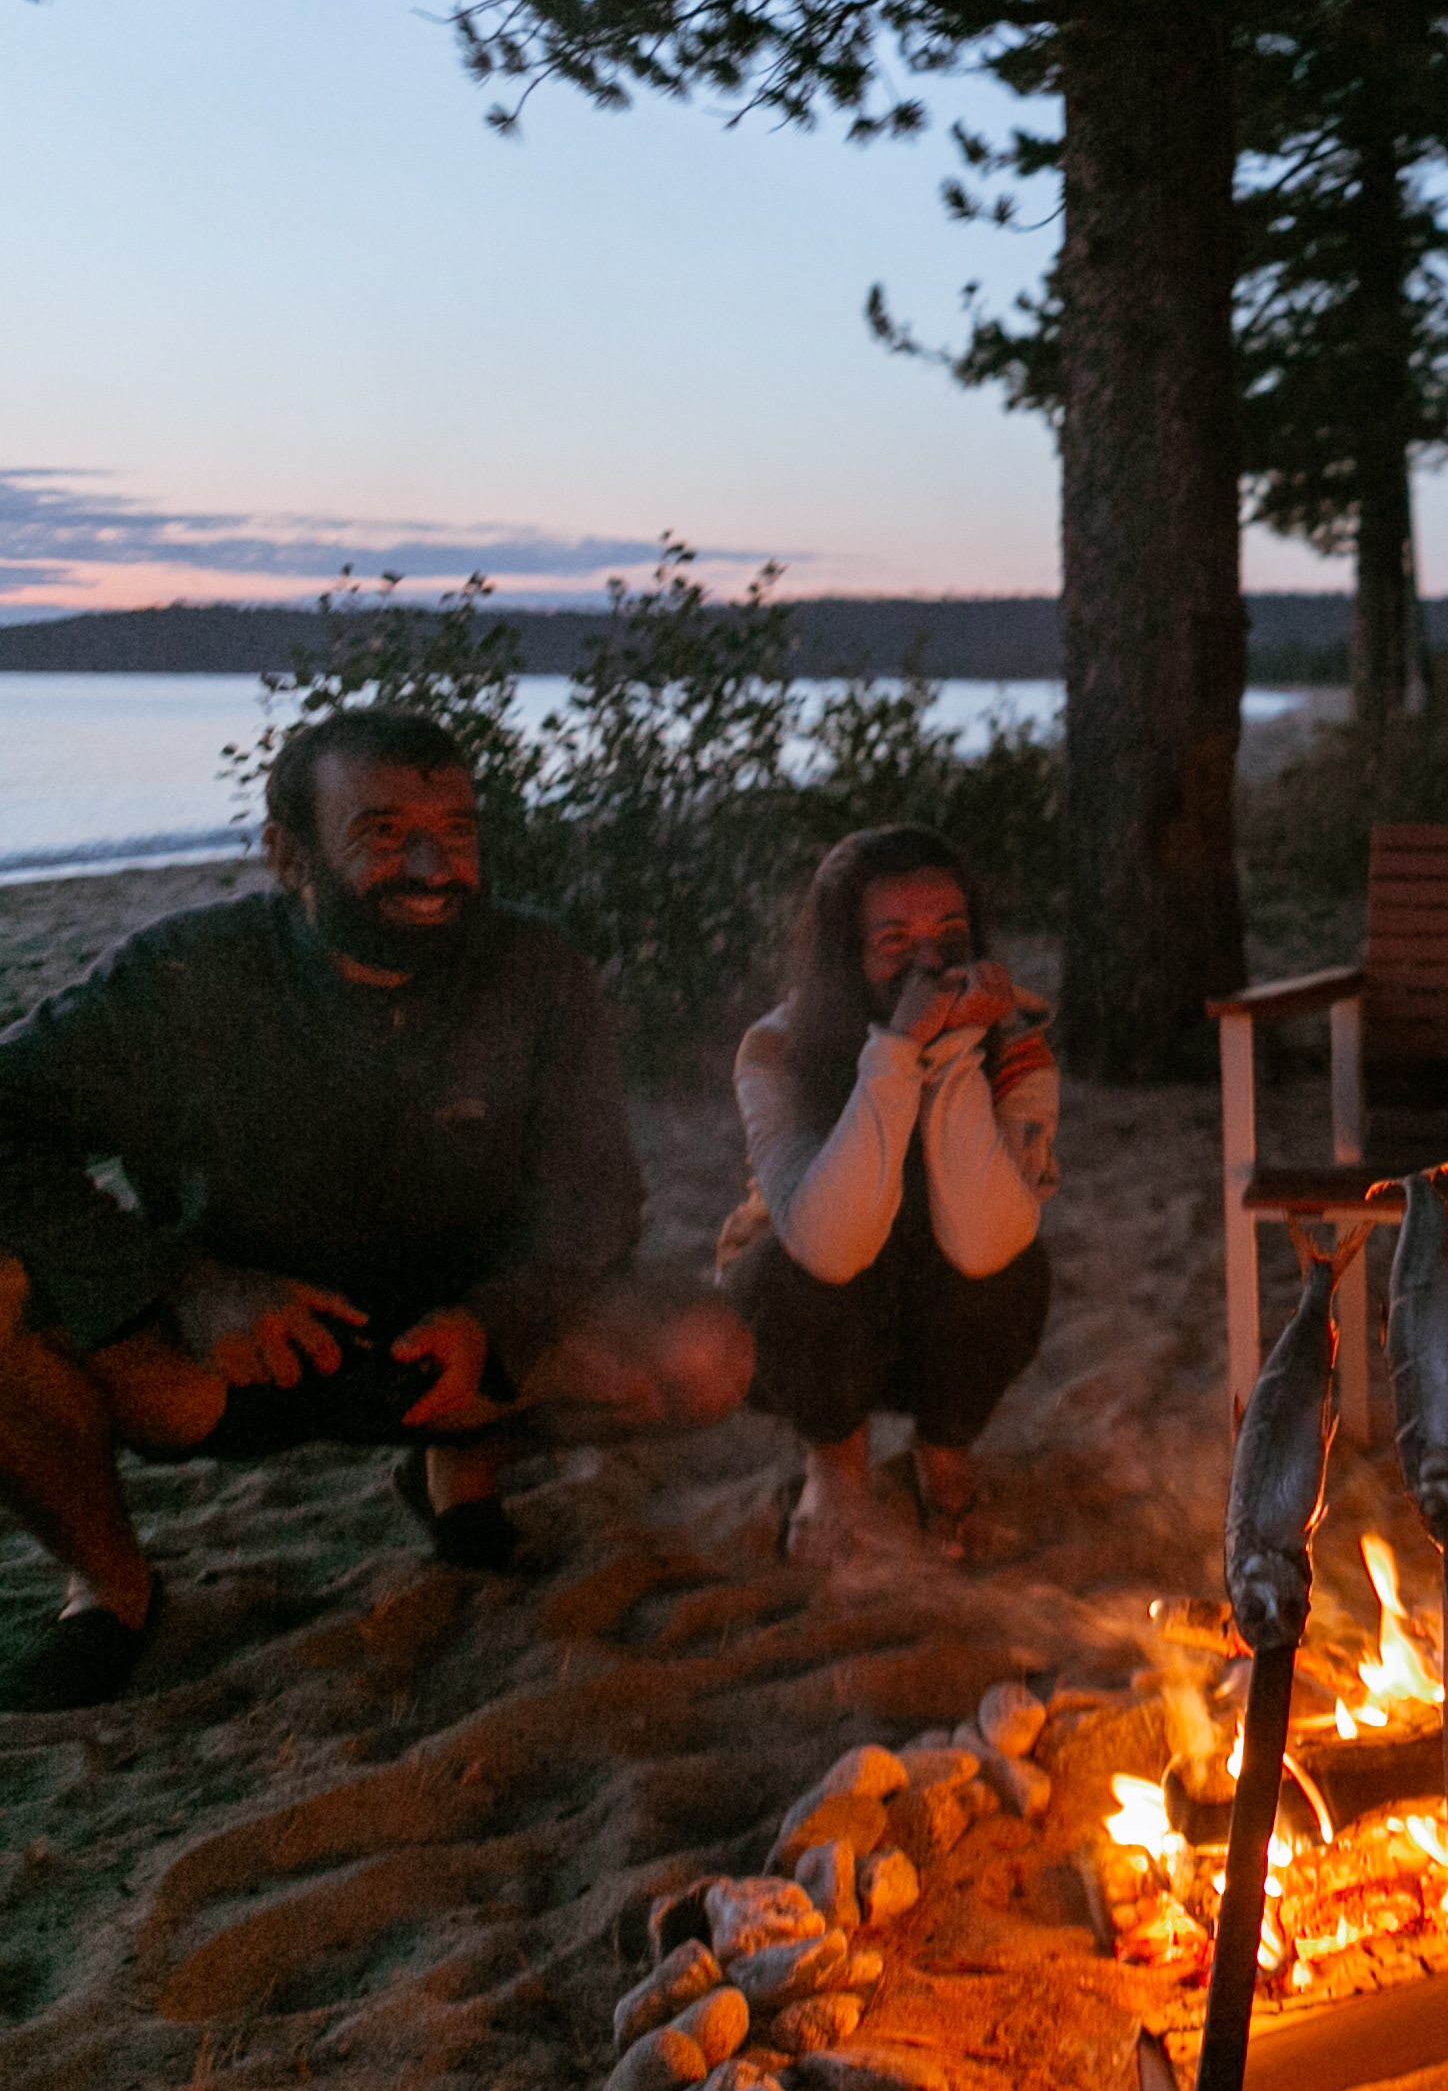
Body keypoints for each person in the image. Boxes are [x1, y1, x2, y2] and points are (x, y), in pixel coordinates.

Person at [0, 708, 754, 1709]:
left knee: (710, 1354)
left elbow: (596, 1195)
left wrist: (502, 1319)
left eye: (460, 831)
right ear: (287, 854)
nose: (435, 865)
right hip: (241, 1349)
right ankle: (110, 1589)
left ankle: (456, 1468)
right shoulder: (184, 982)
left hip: (453, 1343)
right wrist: (181, 1281)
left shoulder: (536, 973)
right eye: (385, 833)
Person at [721, 825, 1055, 1565]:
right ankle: (835, 1470)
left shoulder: (1017, 1043)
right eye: (895, 940)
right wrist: (897, 1054)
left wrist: (955, 1054)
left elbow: (985, 1242)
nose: (931, 962)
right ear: (846, 953)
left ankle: (943, 1457)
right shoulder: (775, 1048)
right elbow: (826, 1244)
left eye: (950, 934)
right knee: (800, 1269)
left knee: (1014, 1267)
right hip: (809, 1327)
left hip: (936, 1319)